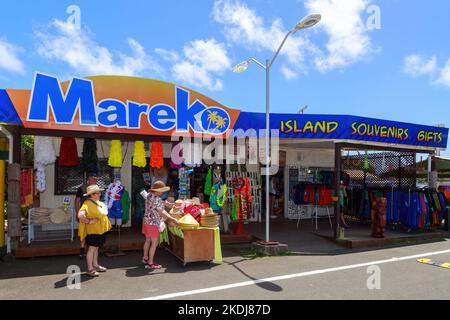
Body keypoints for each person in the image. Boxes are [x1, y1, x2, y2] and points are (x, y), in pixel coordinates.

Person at [142, 181, 179, 269]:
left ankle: (145, 258)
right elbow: (162, 212)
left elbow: (160, 203)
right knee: (154, 244)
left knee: (147, 241)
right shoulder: (157, 199)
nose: (162, 192)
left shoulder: (149, 196)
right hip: (154, 223)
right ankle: (150, 263)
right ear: (157, 190)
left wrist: (171, 204)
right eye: (161, 191)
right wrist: (173, 219)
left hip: (146, 221)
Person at [77, 185, 112, 277]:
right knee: (92, 249)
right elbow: (80, 215)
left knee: (96, 248)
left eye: (99, 192)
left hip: (100, 230)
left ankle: (95, 265)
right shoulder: (87, 204)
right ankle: (90, 269)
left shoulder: (98, 202)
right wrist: (89, 221)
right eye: (98, 192)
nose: (100, 194)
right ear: (92, 194)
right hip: (93, 231)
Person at [75, 172, 98, 259]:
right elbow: (77, 201)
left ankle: (92, 250)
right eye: (93, 179)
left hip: (94, 214)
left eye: (96, 179)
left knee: (92, 232)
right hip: (84, 213)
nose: (94, 180)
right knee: (83, 232)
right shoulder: (81, 188)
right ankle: (82, 249)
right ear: (89, 179)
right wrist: (77, 212)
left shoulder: (97, 189)